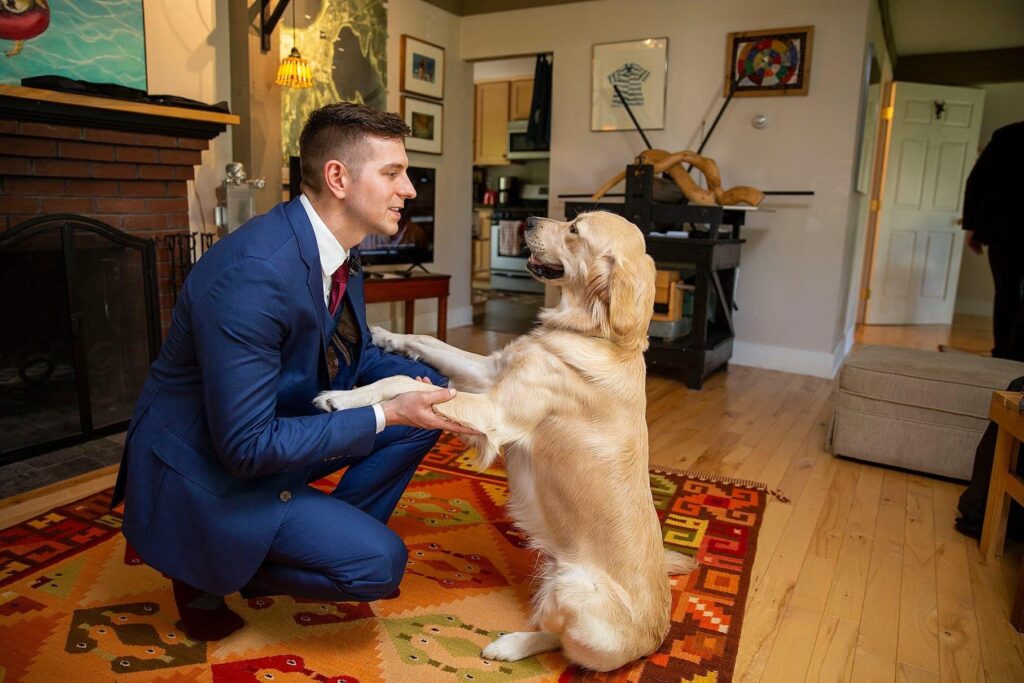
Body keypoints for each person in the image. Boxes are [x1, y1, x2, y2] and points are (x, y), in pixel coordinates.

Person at [111, 103, 476, 641]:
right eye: (393, 173)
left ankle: (310, 536)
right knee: (377, 566)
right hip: (210, 467)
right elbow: (245, 447)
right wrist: (384, 411)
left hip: (273, 425)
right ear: (338, 178)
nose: (410, 190)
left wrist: (436, 389)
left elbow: (350, 356)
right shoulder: (254, 276)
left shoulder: (339, 251)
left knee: (419, 420)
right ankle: (206, 570)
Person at [962, 120, 1024, 361]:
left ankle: (1004, 354)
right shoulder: (1006, 135)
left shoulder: (1007, 135)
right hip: (1004, 231)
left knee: (1006, 292)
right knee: (1007, 292)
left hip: (1004, 231)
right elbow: (977, 182)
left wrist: (973, 227)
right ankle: (1014, 355)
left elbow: (977, 182)